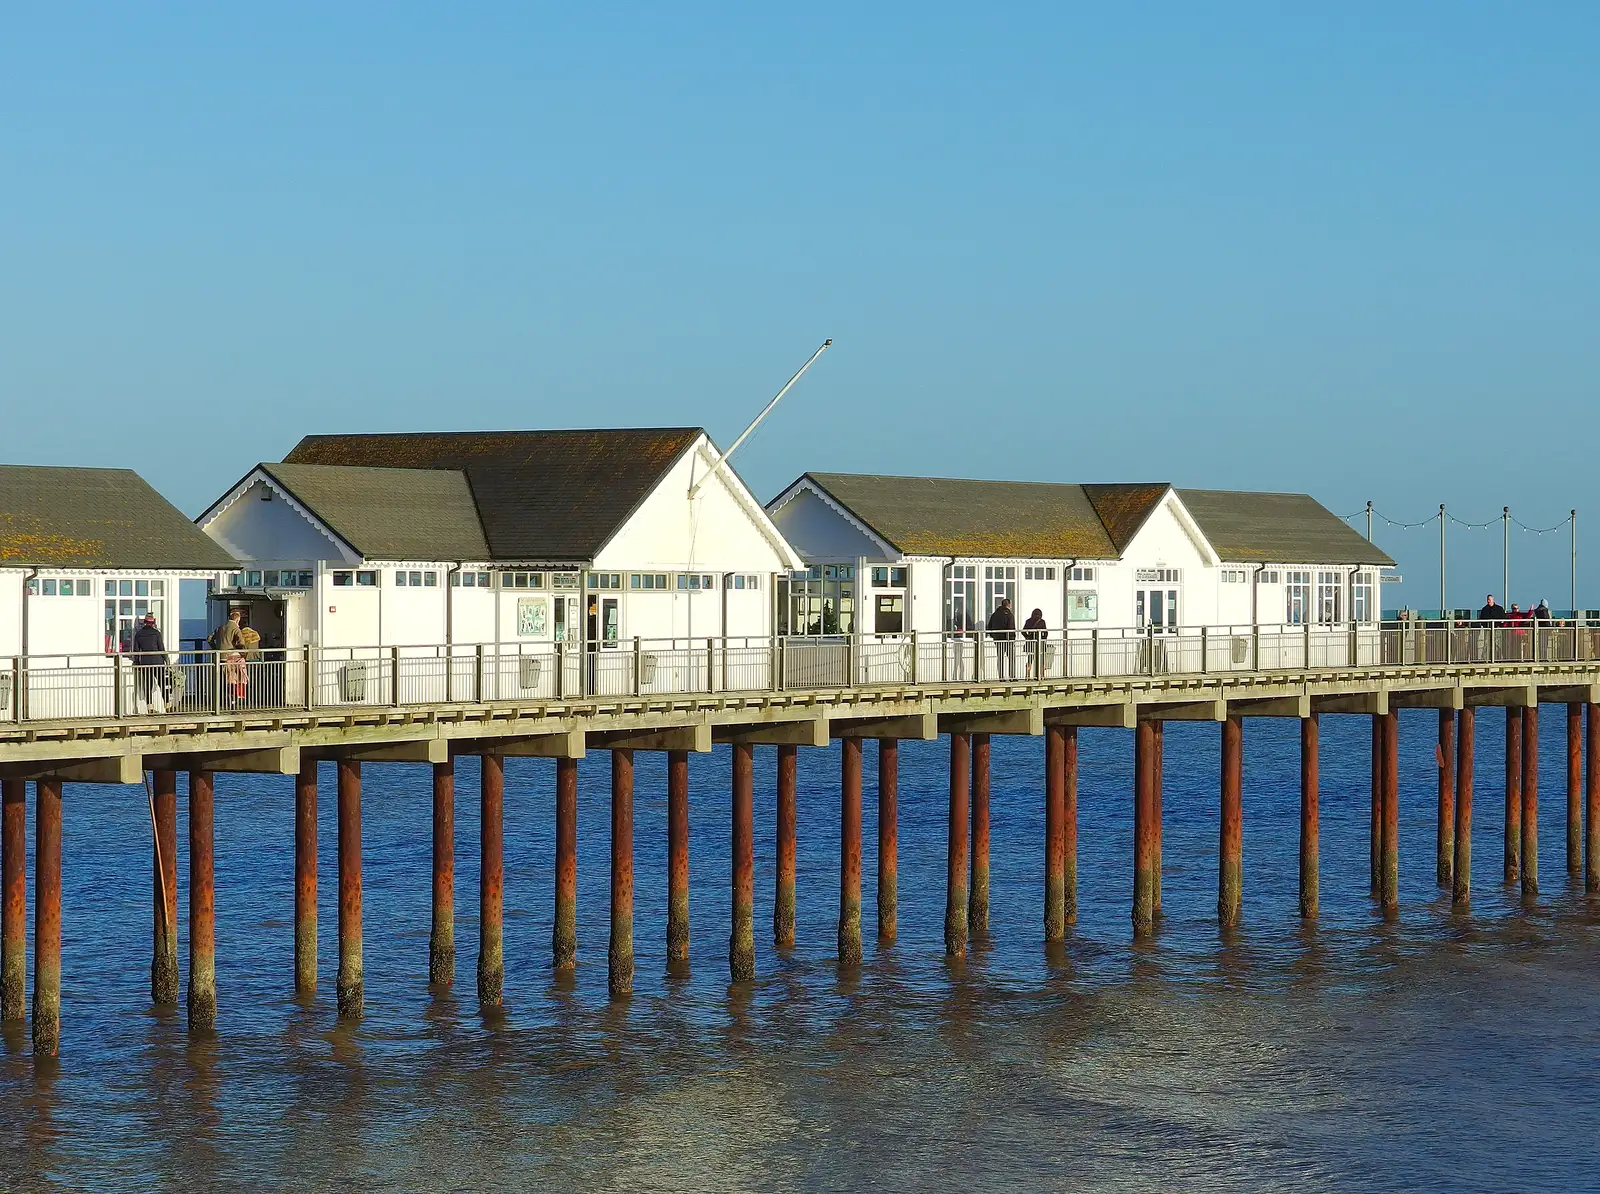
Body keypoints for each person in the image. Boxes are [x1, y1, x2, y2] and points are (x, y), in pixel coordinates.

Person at [130, 612, 168, 714]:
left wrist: (137, 662)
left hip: (145, 663)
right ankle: (167, 706)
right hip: (158, 662)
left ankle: (149, 708)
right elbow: (161, 648)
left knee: (148, 685)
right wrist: (166, 660)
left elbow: (136, 651)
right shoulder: (156, 633)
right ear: (153, 623)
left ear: (144, 623)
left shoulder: (139, 634)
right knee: (162, 683)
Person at [213, 607, 249, 706]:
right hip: (232, 657)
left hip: (220, 657)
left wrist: (216, 648)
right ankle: (236, 699)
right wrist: (239, 649)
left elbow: (209, 639)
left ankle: (223, 700)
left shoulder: (220, 627)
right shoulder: (235, 628)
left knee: (224, 679)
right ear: (237, 620)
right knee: (237, 678)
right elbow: (241, 643)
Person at [987, 597, 1017, 680]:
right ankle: (1012, 676)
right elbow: (1011, 628)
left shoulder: (995, 614)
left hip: (998, 640)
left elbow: (989, 627)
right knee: (1011, 658)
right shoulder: (1009, 615)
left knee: (1000, 658)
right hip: (1008, 640)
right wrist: (1012, 639)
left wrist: (994, 637)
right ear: (1009, 605)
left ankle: (1001, 677)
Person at [1023, 608, 1048, 680]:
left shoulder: (1028, 621)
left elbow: (1023, 631)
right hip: (1040, 643)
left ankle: (1027, 676)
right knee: (1041, 659)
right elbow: (1046, 632)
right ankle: (1042, 675)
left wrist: (1027, 637)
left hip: (1031, 642)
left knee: (1030, 659)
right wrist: (1043, 639)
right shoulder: (1042, 622)